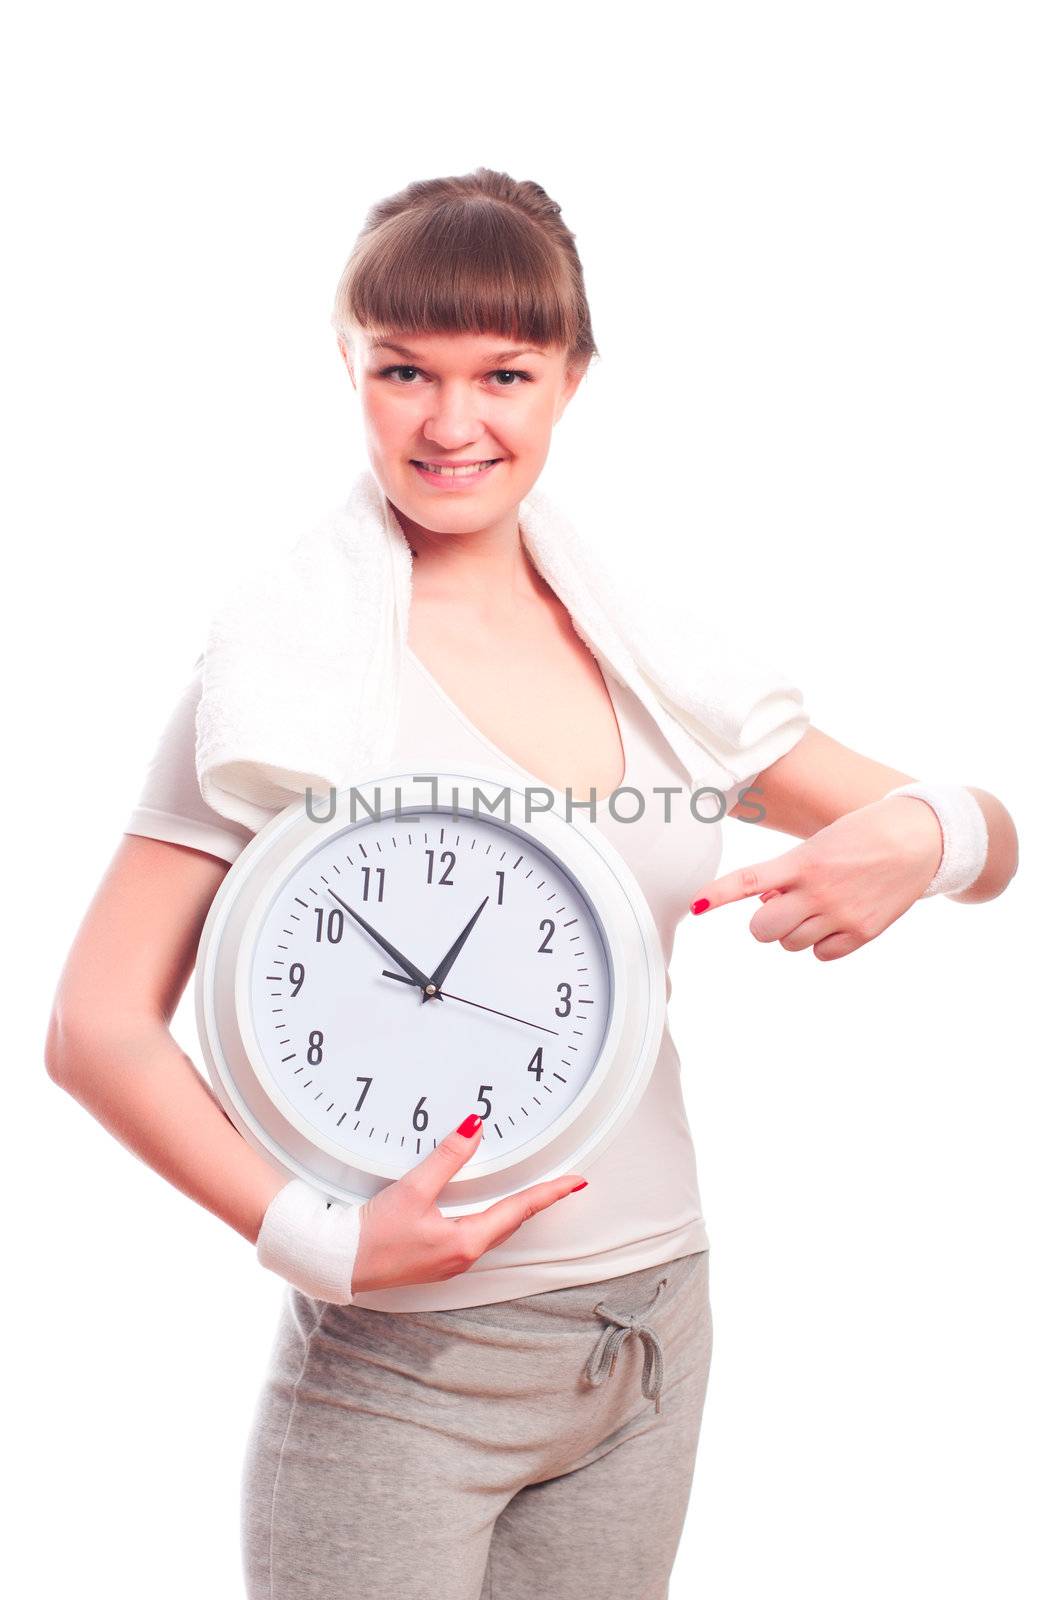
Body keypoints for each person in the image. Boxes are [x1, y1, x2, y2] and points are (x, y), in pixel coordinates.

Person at [44, 167, 1018, 1600]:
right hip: (405, 1370)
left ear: (570, 376)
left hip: (652, 1337)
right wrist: (316, 1234)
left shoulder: (657, 668)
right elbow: (95, 1028)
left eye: (502, 372)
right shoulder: (286, 679)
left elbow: (980, 838)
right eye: (405, 371)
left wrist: (933, 839)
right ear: (351, 368)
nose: (452, 423)